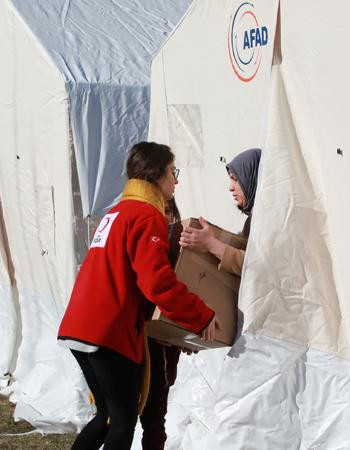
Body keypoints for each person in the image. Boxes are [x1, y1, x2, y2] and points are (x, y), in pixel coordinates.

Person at [58, 142, 219, 450]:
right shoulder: (147, 216)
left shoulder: (117, 212)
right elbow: (156, 283)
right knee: (122, 420)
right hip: (107, 331)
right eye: (173, 172)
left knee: (106, 416)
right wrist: (202, 315)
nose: (176, 181)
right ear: (157, 174)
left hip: (79, 327)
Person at [139, 197, 184, 450]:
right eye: (161, 210)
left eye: (169, 211)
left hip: (164, 346)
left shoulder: (177, 246)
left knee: (155, 420)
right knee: (118, 420)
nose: (165, 216)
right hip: (138, 342)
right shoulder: (145, 242)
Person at [179, 148, 262, 276]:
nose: (230, 187)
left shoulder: (273, 221)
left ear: (252, 177)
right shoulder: (252, 222)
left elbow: (261, 268)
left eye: (235, 179)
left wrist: (211, 243)